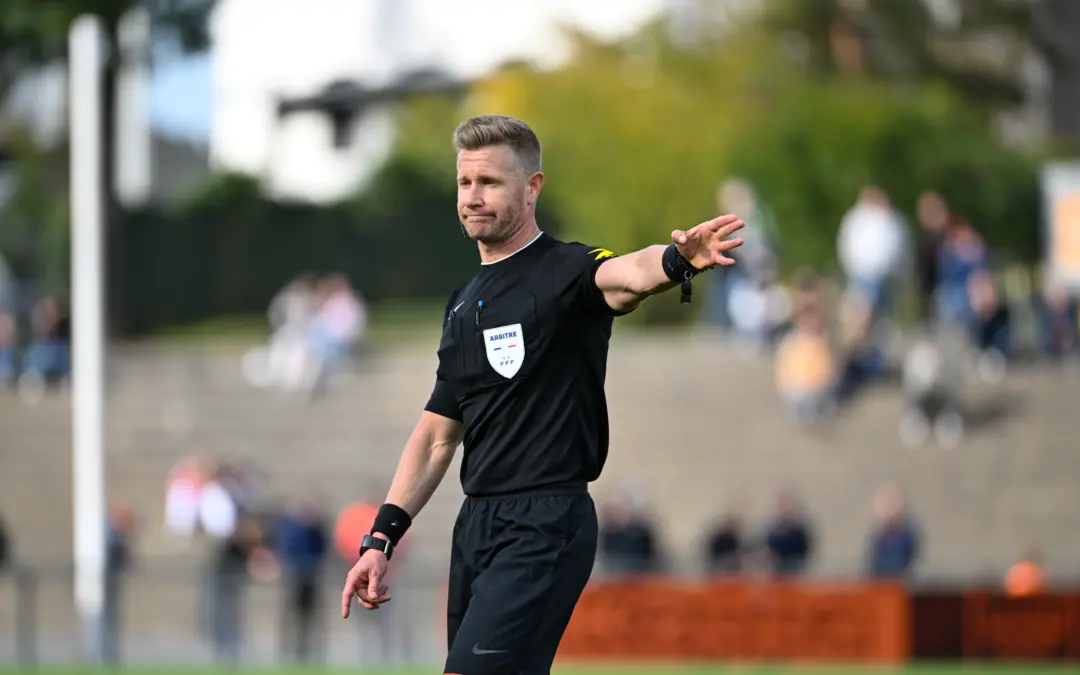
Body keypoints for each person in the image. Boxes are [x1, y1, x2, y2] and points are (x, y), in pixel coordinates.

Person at [339, 114, 745, 675]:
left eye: (490, 183)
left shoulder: (566, 270)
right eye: (465, 183)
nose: (473, 197)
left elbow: (628, 274)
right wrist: (380, 539)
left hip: (544, 522)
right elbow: (437, 434)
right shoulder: (463, 303)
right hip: (476, 524)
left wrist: (678, 261)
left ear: (532, 187)